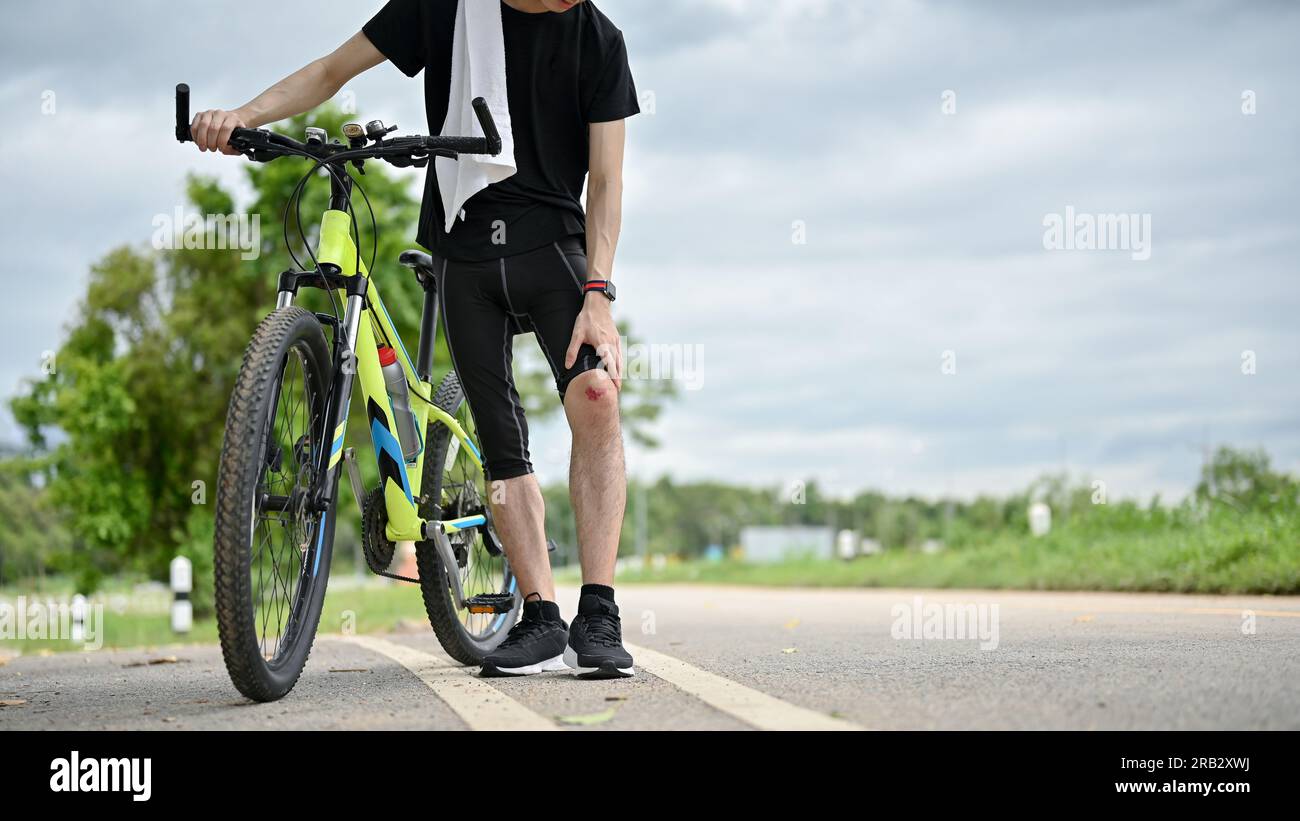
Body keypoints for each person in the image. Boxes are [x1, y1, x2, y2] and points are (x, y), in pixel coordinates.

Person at [189, 0, 639, 679]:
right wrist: (244, 115)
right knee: (498, 439)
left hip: (556, 248)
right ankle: (542, 617)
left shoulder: (600, 39)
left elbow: (606, 182)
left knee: (597, 393)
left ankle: (598, 612)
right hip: (464, 251)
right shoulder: (447, 8)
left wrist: (598, 295)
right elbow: (332, 68)